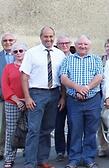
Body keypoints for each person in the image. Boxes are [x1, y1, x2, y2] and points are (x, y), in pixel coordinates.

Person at [20, 26, 66, 168]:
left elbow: (63, 77)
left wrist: (63, 97)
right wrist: (27, 97)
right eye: (46, 36)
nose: (49, 39)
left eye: (51, 36)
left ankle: (42, 160)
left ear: (54, 37)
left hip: (54, 94)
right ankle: (30, 163)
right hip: (37, 94)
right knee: (34, 129)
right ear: (41, 37)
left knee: (47, 129)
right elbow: (24, 76)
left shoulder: (60, 54)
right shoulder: (32, 53)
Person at [60, 35, 104, 168]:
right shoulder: (68, 59)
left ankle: (89, 159)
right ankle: (74, 159)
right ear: (76, 45)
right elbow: (63, 78)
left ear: (89, 46)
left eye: (85, 44)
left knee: (91, 131)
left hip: (93, 100)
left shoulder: (96, 59)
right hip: (74, 100)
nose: (83, 46)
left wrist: (86, 88)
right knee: (75, 130)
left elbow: (99, 76)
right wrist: (77, 88)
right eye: (80, 44)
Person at [2, 42, 27, 168]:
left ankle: (29, 155)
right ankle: (9, 158)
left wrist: (26, 99)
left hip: (29, 102)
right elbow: (5, 86)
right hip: (12, 103)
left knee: (30, 130)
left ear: (25, 52)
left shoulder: (30, 66)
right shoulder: (8, 68)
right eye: (15, 52)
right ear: (12, 54)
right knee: (11, 131)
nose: (18, 53)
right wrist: (17, 100)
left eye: (21, 51)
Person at [54, 35, 72, 162]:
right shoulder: (54, 57)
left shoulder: (75, 58)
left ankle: (71, 150)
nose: (64, 45)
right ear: (57, 44)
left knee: (72, 124)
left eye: (66, 43)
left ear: (70, 44)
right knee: (58, 124)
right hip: (57, 95)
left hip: (71, 96)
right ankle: (60, 150)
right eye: (61, 43)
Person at [0, 32, 16, 160]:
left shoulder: (22, 55)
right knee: (3, 126)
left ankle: (25, 148)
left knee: (23, 125)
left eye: (11, 40)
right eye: (5, 40)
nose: (8, 42)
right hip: (2, 97)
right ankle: (2, 151)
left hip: (20, 97)